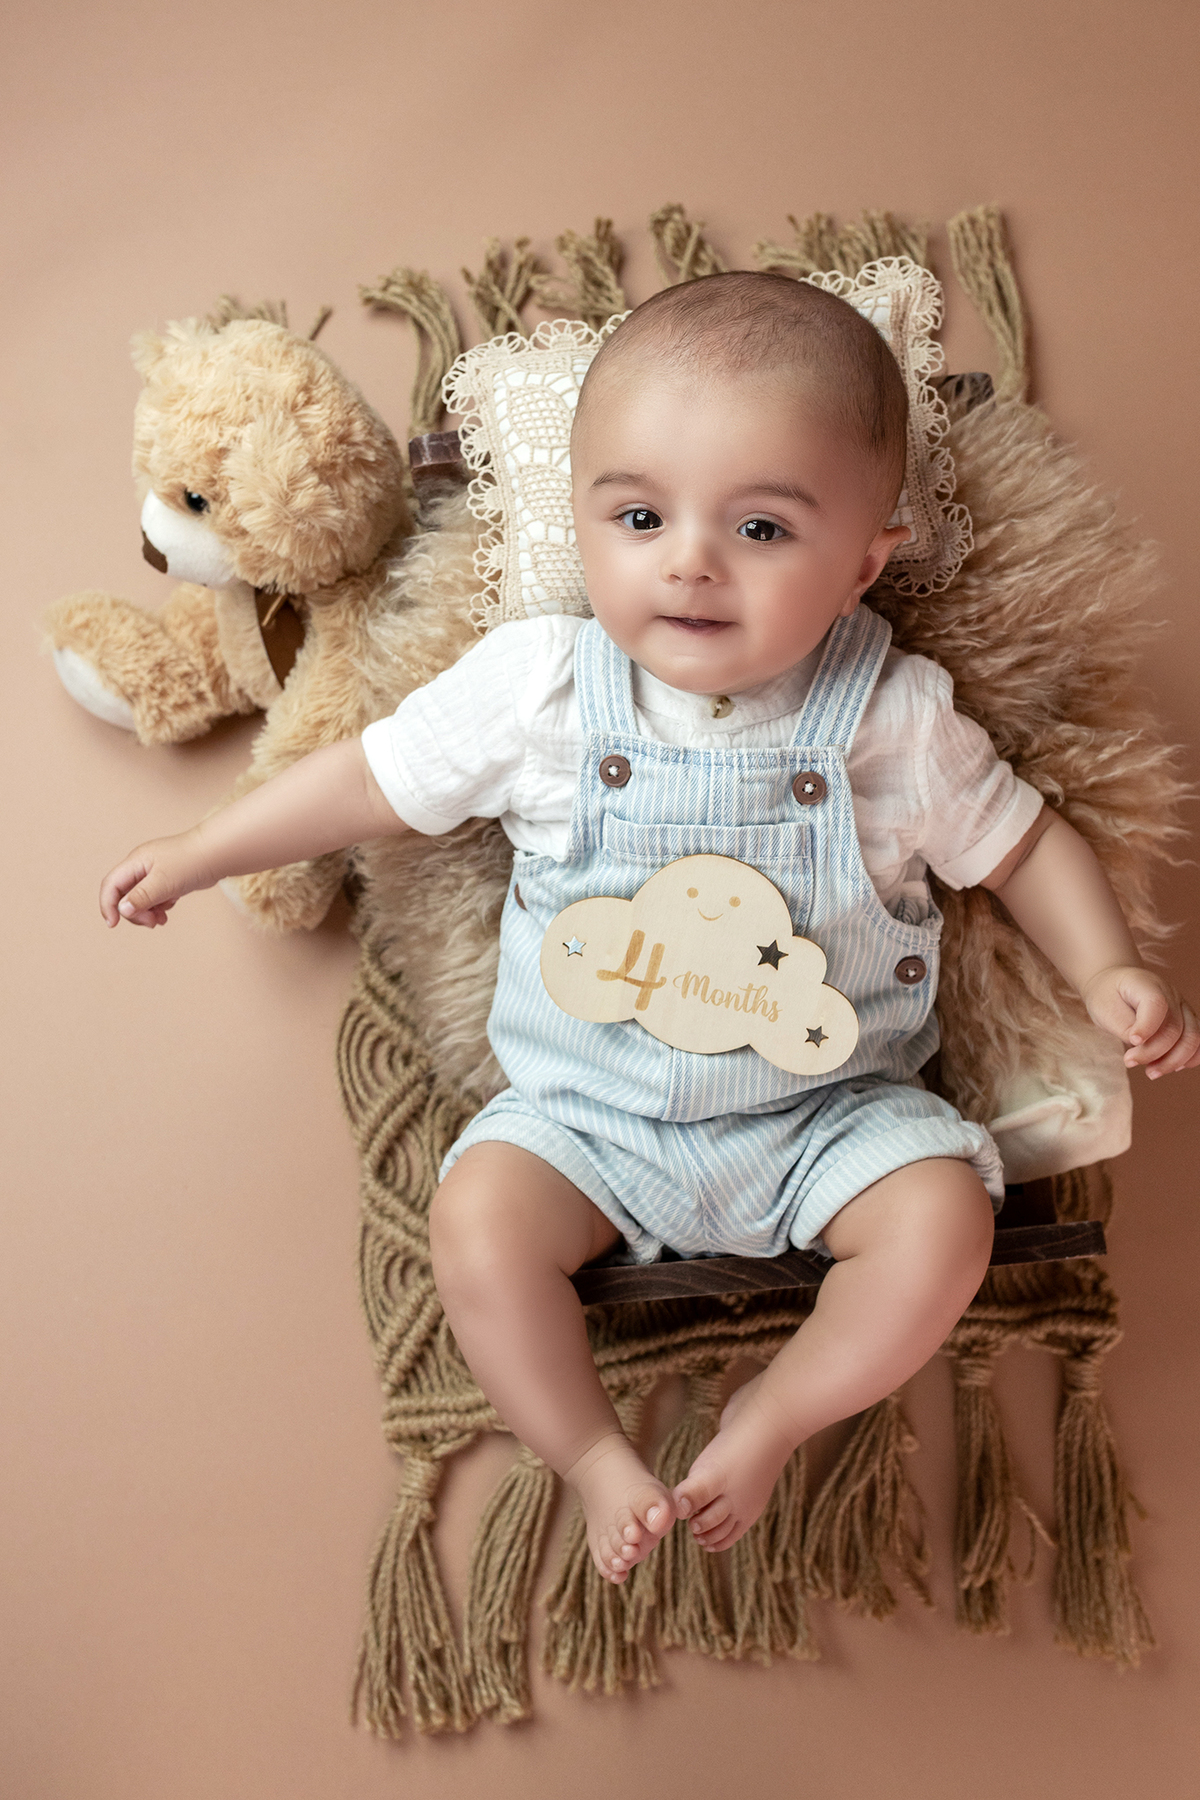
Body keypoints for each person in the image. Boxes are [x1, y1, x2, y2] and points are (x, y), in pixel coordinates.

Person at [100, 273, 1199, 1588]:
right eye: (639, 515)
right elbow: (371, 779)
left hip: (827, 1121)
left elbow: (1024, 843)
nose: (690, 559)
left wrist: (1109, 964)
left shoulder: (890, 718)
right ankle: (590, 1451)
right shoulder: (547, 689)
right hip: (583, 1124)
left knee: (943, 1222)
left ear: (865, 559)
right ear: (584, 520)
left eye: (760, 528)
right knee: (478, 1227)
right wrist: (204, 848)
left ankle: (780, 1413)